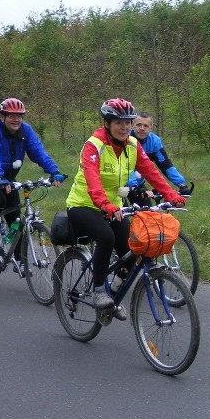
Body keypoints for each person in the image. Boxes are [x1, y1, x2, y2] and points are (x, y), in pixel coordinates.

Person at [66, 98, 186, 317]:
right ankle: (100, 290)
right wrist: (103, 204)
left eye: (128, 122)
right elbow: (92, 180)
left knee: (134, 250)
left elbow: (150, 171)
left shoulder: (132, 145)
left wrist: (170, 194)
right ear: (107, 123)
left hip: (113, 206)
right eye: (119, 122)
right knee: (106, 237)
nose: (125, 127)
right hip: (83, 204)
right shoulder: (95, 145)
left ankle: (112, 296)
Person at [0, 98, 66, 275]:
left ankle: (19, 260)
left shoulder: (26, 131)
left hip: (8, 179)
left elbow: (38, 152)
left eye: (19, 116)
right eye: (11, 116)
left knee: (16, 220)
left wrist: (54, 171)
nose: (16, 120)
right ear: (2, 116)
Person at [125, 111, 192, 203]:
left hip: (138, 185)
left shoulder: (154, 142)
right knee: (120, 214)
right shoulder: (124, 138)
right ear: (133, 125)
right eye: (139, 125)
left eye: (146, 126)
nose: (142, 128)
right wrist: (133, 186)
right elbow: (126, 167)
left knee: (147, 213)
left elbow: (166, 165)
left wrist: (181, 184)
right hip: (119, 184)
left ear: (151, 128)